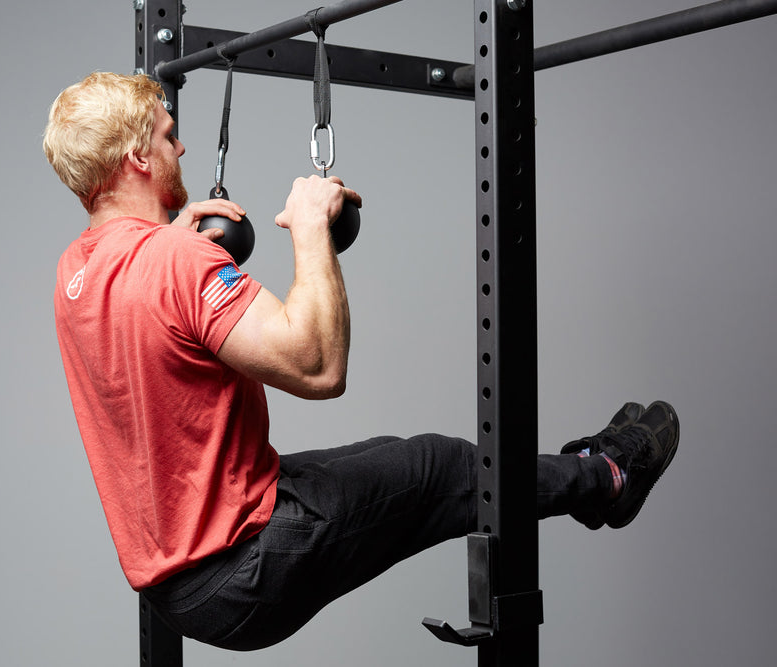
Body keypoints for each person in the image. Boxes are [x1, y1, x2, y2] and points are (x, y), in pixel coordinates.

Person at [43, 72, 679, 651]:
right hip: (245, 571)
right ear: (135, 157)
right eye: (169, 136)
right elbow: (319, 367)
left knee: (399, 456)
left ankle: (580, 474)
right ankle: (608, 480)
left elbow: (147, 307)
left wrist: (174, 233)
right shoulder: (177, 263)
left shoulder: (78, 269)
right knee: (450, 466)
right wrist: (313, 227)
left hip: (176, 583)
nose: (179, 149)